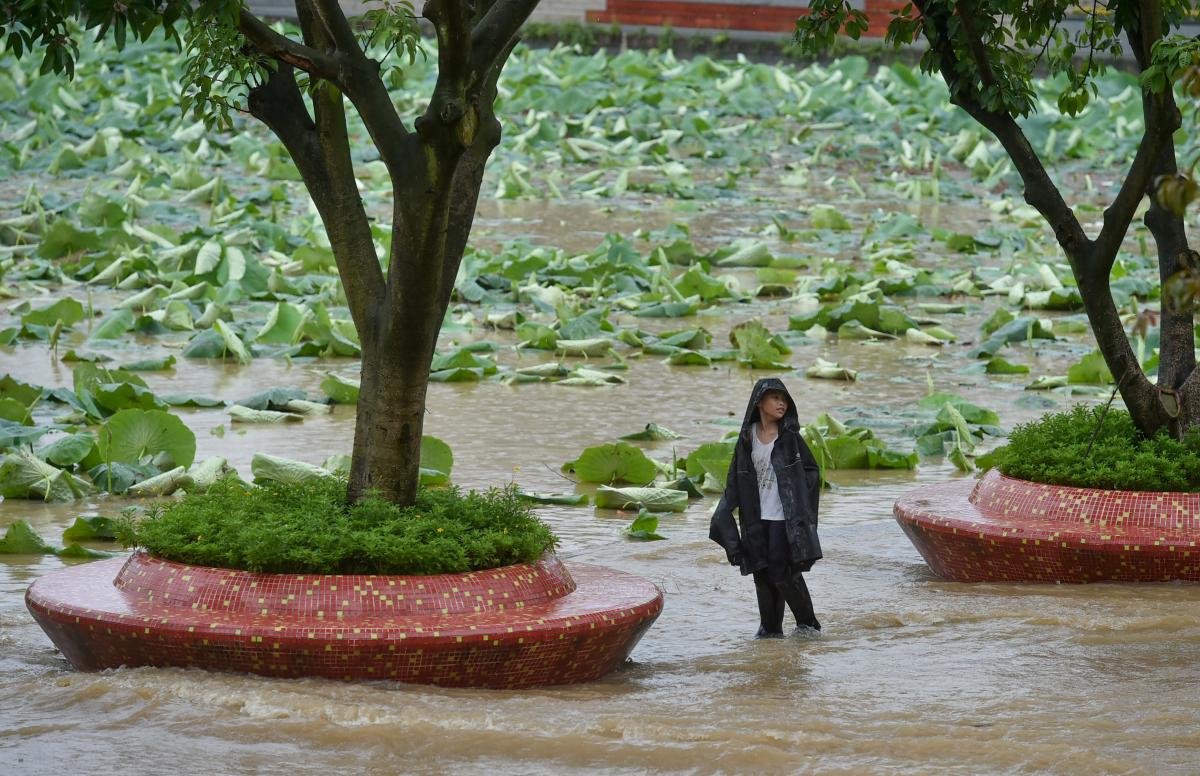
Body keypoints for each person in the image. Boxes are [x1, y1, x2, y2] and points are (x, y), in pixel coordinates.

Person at [709, 377, 823, 638]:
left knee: (782, 571)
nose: (781, 404)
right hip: (756, 517)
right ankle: (770, 629)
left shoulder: (790, 439)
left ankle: (808, 624)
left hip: (784, 517)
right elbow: (736, 479)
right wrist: (723, 511)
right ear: (760, 402)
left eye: (784, 399)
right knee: (761, 571)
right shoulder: (747, 438)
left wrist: (798, 502)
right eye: (775, 398)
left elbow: (811, 472)